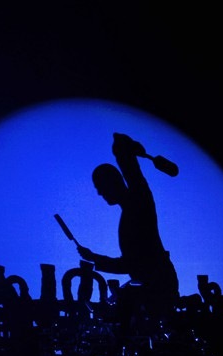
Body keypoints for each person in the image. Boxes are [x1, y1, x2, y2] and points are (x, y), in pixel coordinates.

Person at [76, 132, 179, 333]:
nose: (99, 192)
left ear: (112, 182)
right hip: (154, 282)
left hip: (157, 284)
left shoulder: (139, 201)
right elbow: (131, 264)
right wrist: (94, 257)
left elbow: (132, 172)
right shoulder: (132, 208)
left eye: (100, 186)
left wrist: (123, 151)